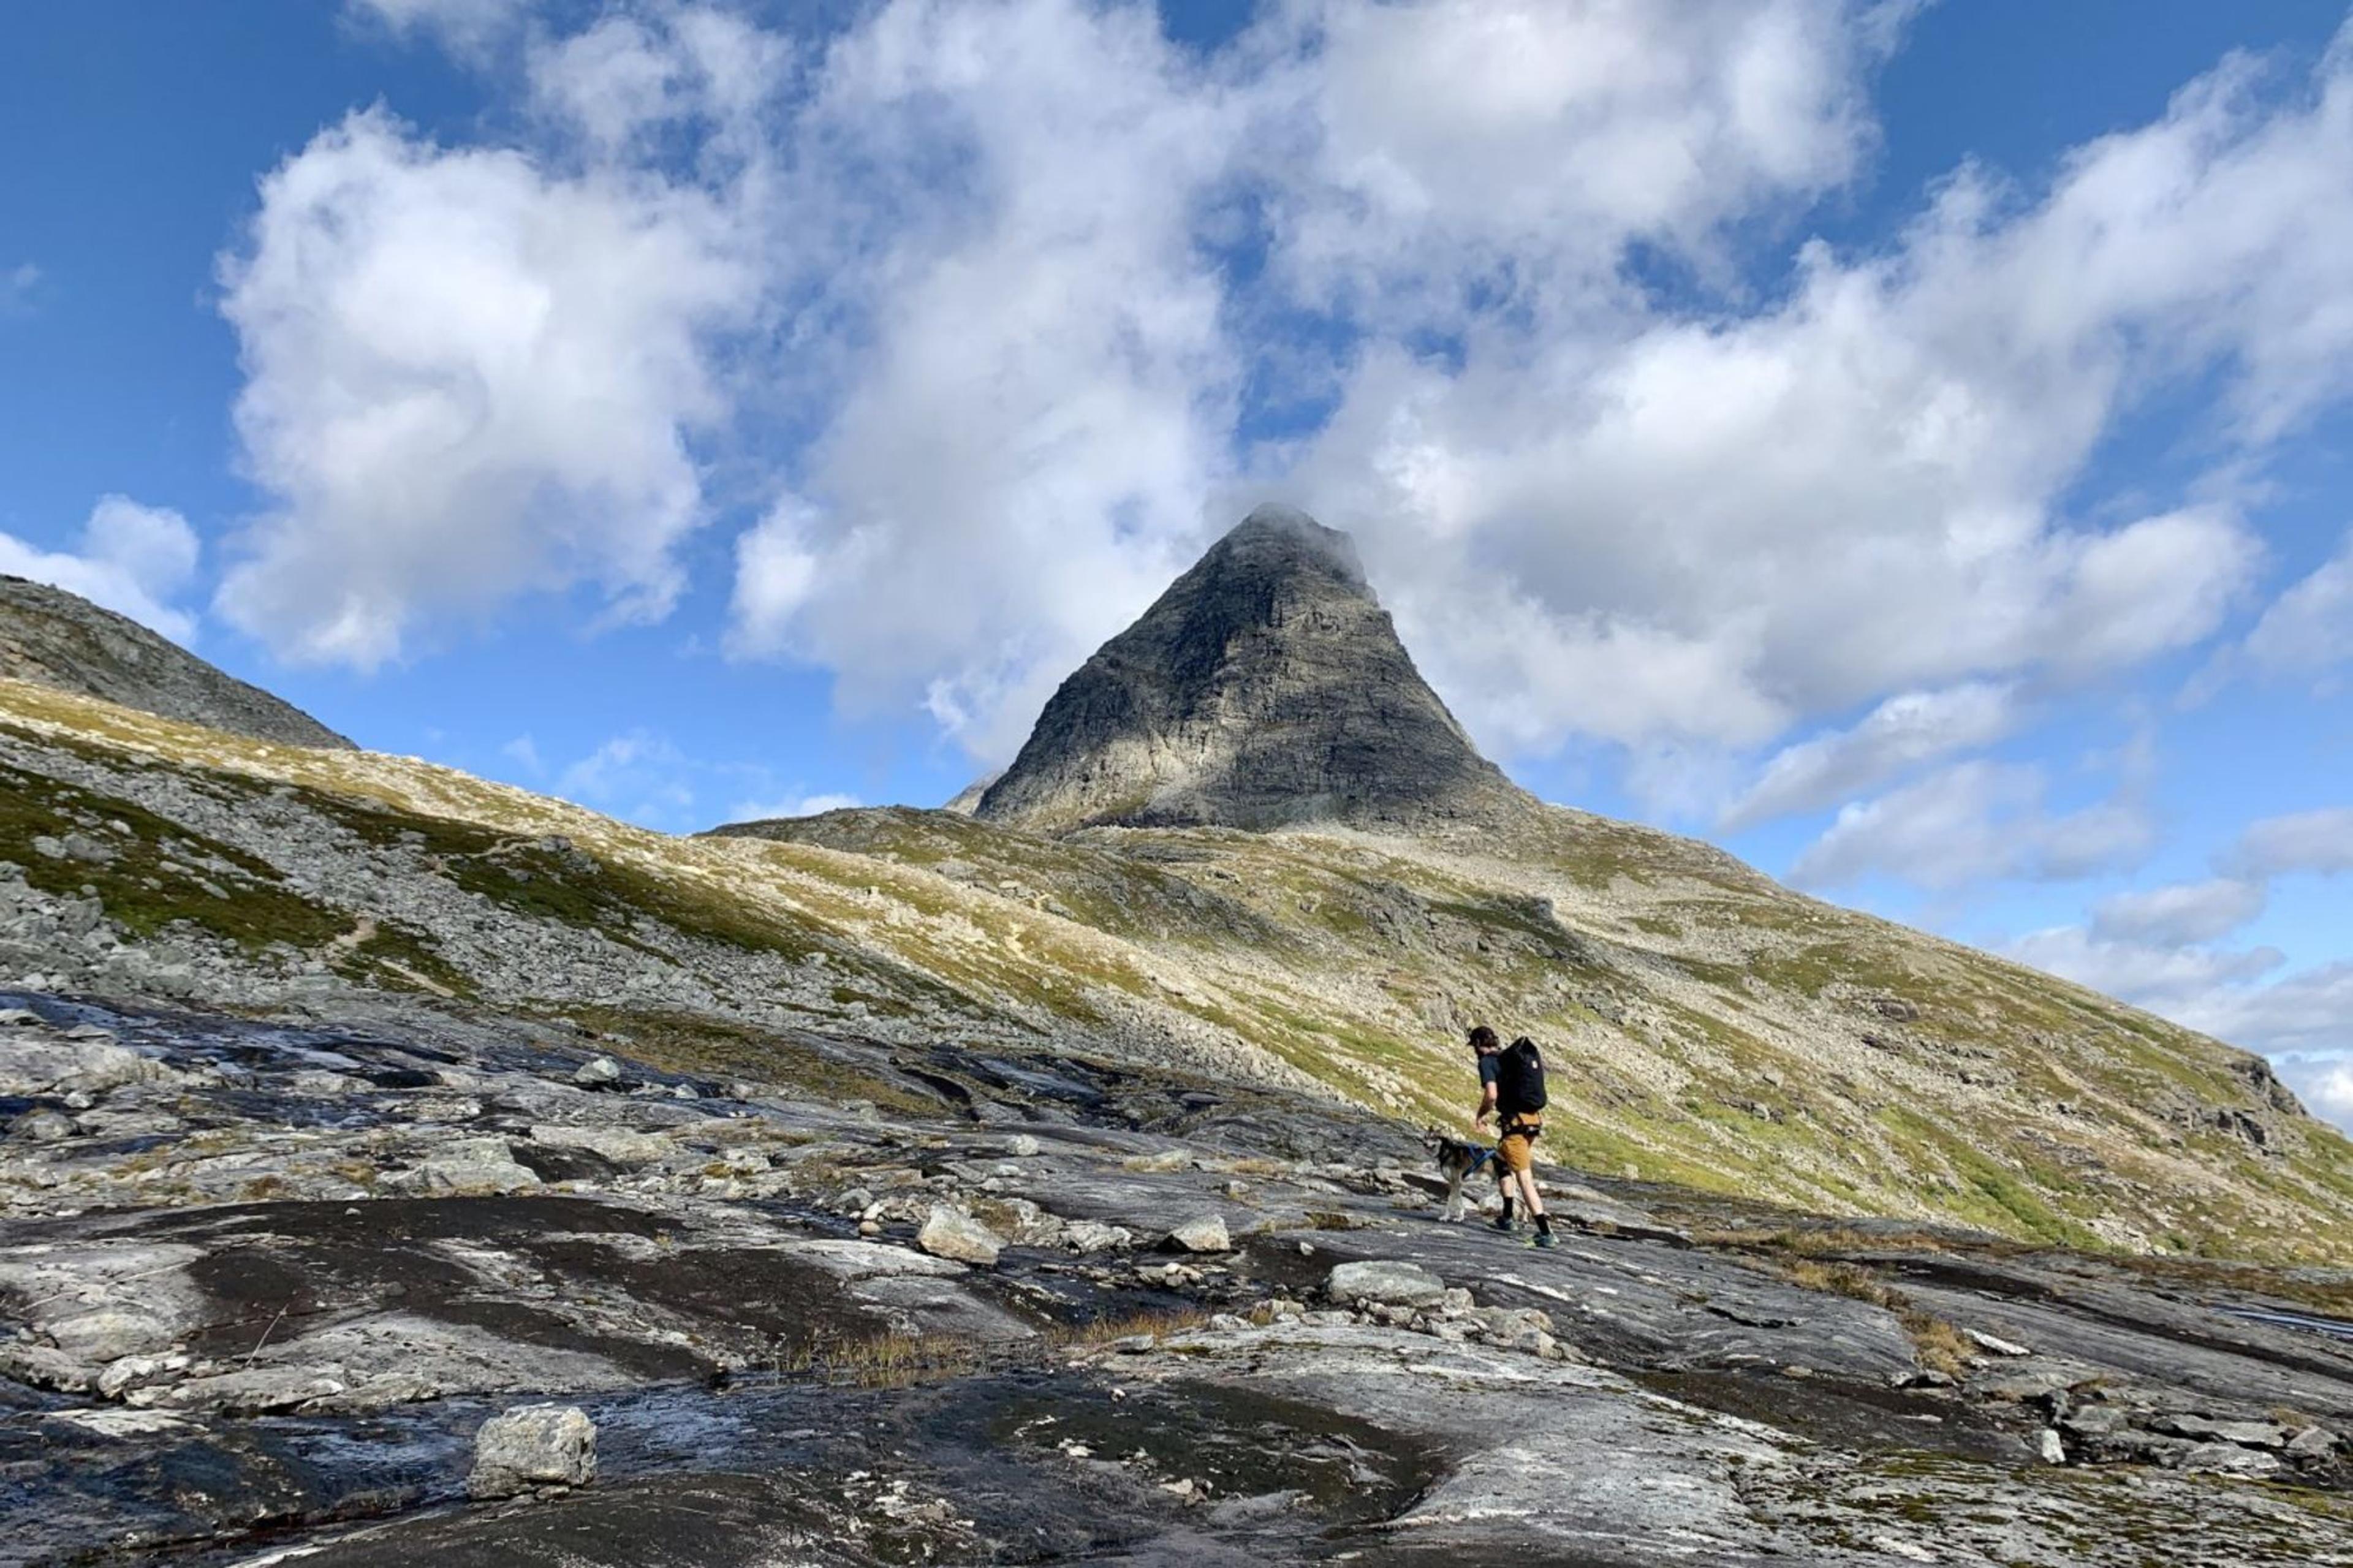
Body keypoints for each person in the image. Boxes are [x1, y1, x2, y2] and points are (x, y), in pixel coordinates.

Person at [1469, 1025, 1553, 1248]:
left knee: (1525, 1180)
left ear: (1478, 1045)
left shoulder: (1487, 1062)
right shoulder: (1510, 1059)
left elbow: (1491, 1095)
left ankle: (1545, 1233)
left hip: (1515, 1127)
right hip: (1532, 1122)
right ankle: (1507, 1218)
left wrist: (1480, 1116)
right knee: (1501, 1162)